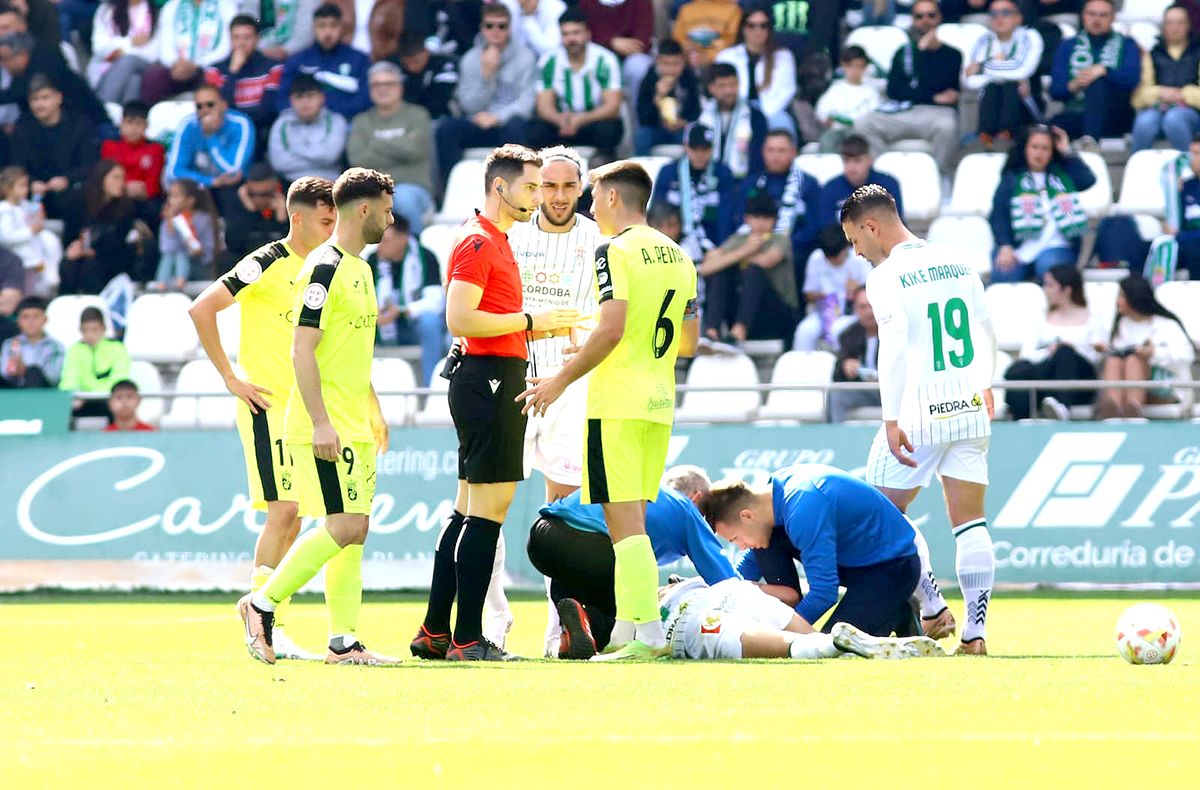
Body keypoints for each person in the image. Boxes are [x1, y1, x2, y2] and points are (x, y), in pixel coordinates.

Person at [519, 160, 700, 661]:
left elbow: (614, 326)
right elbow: (688, 341)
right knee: (633, 518)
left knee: (624, 529)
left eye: (594, 195)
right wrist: (610, 346)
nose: (589, 205)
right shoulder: (679, 256)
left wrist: (559, 378)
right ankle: (624, 630)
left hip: (616, 402)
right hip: (659, 403)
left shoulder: (613, 251)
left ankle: (648, 637)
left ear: (615, 198)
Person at [411, 145, 578, 663]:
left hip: (488, 377)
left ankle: (436, 632)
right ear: (500, 187)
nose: (537, 196)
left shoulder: (492, 237)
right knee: (487, 513)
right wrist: (533, 321)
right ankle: (466, 639)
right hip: (489, 379)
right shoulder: (481, 241)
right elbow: (459, 319)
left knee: (467, 512)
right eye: (530, 187)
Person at [239, 167, 396, 667]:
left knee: (355, 531)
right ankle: (262, 605)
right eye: (387, 211)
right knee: (346, 525)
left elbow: (349, 351)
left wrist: (372, 409)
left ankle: (344, 641)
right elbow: (301, 350)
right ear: (365, 209)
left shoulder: (362, 269)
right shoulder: (324, 268)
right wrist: (321, 421)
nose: (391, 220)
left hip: (353, 422)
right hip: (323, 426)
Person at [841, 184, 998, 654]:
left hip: (918, 410)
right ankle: (975, 633)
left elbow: (892, 352)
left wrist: (891, 420)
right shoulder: (958, 259)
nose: (858, 252)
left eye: (855, 241)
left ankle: (932, 606)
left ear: (871, 226)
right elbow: (986, 328)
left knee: (881, 512)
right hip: (970, 400)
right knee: (970, 522)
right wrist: (986, 382)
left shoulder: (887, 275)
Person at [190, 175, 335, 661]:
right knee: (285, 511)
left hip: (306, 410)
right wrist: (231, 377)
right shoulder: (268, 261)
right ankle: (262, 615)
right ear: (298, 217)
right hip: (267, 406)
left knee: (295, 520)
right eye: (324, 218)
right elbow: (202, 307)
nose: (332, 226)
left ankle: (270, 616)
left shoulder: (327, 269)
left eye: (334, 218)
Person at [527, 467, 736, 659]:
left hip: (543, 536)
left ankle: (570, 632)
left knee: (570, 576)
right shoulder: (687, 509)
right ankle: (589, 623)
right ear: (696, 497)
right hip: (593, 547)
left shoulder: (634, 486)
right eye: (707, 513)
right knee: (629, 619)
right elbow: (727, 582)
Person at [700, 464, 926, 638]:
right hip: (856, 562)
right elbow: (746, 569)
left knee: (836, 647)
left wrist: (785, 637)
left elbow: (824, 593)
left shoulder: (803, 507)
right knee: (766, 539)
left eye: (736, 538)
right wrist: (721, 592)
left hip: (892, 568)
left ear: (746, 515)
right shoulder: (769, 501)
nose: (740, 546)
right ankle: (888, 610)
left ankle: (898, 611)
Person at [659, 575, 943, 661]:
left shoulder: (633, 607)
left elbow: (620, 644)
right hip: (731, 590)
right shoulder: (681, 582)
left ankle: (836, 646)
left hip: (687, 621)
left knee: (788, 646)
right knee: (814, 640)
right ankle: (855, 648)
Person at [853, 0, 962, 174]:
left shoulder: (952, 54)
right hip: (902, 111)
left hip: (934, 114)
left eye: (931, 15)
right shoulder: (902, 52)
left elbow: (945, 87)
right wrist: (932, 95)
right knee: (864, 123)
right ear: (913, 20)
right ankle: (884, 175)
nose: (925, 20)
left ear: (939, 18)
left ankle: (940, 177)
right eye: (919, 16)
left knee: (948, 126)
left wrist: (926, 54)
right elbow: (894, 90)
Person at [437, 3, 536, 184]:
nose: (495, 31)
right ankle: (448, 188)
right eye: (490, 26)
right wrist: (487, 76)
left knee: (520, 126)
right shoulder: (470, 59)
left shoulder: (525, 57)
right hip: (479, 121)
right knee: (446, 129)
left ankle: (522, 185)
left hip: (508, 123)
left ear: (510, 28)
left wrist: (498, 117)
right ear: (482, 28)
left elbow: (527, 104)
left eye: (502, 26)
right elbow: (467, 104)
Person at [989, 124, 1095, 283]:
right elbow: (999, 216)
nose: (1039, 153)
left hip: (1057, 243)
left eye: (1045, 148)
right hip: (1018, 245)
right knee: (1004, 274)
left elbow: (1087, 180)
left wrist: (1066, 151)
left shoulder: (1062, 175)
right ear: (1025, 148)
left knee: (1049, 269)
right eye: (1035, 147)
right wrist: (1005, 245)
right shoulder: (1012, 179)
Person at [1004, 264, 1104, 421]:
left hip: (1079, 380)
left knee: (1065, 352)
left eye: (1050, 285)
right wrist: (1048, 351)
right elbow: (1027, 354)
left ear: (1067, 289)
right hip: (1046, 371)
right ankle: (1022, 416)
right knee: (1018, 369)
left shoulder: (1093, 319)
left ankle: (1061, 405)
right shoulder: (1041, 318)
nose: (1046, 290)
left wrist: (1071, 347)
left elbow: (1096, 357)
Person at [698, 193, 798, 346]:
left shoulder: (780, 239)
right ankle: (712, 331)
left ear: (774, 220)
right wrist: (744, 250)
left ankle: (740, 330)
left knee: (753, 271)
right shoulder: (740, 240)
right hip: (743, 309)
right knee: (720, 274)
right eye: (756, 217)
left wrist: (736, 255)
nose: (761, 223)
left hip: (776, 310)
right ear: (747, 218)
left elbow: (766, 261)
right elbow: (705, 269)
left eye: (766, 218)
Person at [346, 61, 433, 235]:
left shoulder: (418, 115)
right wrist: (399, 146)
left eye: (389, 84)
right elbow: (358, 159)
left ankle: (413, 250)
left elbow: (414, 150)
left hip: (414, 189)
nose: (382, 89)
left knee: (402, 198)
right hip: (372, 192)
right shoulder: (361, 121)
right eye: (377, 84)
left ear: (400, 87)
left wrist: (375, 143)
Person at [1093, 275, 1195, 420]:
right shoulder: (1117, 327)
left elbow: (1186, 355)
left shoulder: (1166, 325)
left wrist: (1154, 353)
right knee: (1113, 361)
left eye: (1121, 296)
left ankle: (1134, 410)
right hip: (1124, 386)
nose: (1117, 301)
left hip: (1164, 388)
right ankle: (1113, 410)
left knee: (1134, 360)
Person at [527, 7, 624, 152]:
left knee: (609, 129)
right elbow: (543, 106)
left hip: (592, 121)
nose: (571, 39)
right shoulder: (549, 61)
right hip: (561, 124)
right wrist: (561, 120)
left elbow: (612, 106)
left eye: (576, 33)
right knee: (536, 130)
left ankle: (602, 168)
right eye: (565, 34)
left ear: (588, 34)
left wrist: (581, 119)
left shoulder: (605, 60)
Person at [1048, 0, 1139, 144]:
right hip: (1077, 113)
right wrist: (1075, 84)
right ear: (1083, 16)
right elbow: (1055, 91)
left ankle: (1090, 141)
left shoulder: (1127, 44)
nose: (1096, 20)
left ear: (1113, 18)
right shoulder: (1067, 45)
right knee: (1047, 130)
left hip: (1115, 116)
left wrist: (1105, 71)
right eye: (1091, 14)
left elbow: (1132, 80)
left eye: (1103, 15)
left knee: (1098, 81)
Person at [11, 75, 99, 221]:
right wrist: (31, 182)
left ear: (58, 98)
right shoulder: (22, 128)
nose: (39, 105)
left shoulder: (79, 125)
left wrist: (67, 180)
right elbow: (17, 164)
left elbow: (90, 163)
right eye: (34, 99)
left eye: (45, 98)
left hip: (71, 191)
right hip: (34, 192)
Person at [742, 129, 822, 290]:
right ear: (763, 152)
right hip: (754, 247)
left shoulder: (808, 184)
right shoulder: (750, 183)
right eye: (770, 150)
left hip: (795, 251)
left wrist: (783, 247)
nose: (775, 156)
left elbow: (815, 225)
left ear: (793, 152)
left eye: (781, 150)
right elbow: (739, 220)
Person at [372, 217, 447, 386]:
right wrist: (373, 315)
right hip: (378, 326)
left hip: (412, 325)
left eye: (385, 240)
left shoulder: (425, 257)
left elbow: (435, 302)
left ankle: (429, 390)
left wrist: (401, 311)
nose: (379, 246)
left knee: (430, 322)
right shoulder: (372, 261)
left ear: (403, 238)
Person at [60, 161, 153, 294]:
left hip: (112, 261)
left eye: (122, 178)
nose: (120, 182)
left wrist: (95, 252)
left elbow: (120, 244)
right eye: (115, 177)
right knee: (68, 263)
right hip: (83, 255)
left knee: (91, 265)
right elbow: (70, 235)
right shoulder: (79, 203)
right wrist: (74, 250)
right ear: (101, 178)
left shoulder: (126, 208)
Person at [962, 0, 1044, 146]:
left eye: (1005, 13)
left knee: (1010, 86)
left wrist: (983, 68)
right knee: (994, 87)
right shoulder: (983, 40)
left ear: (1018, 17)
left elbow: (1022, 69)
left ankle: (1006, 135)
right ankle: (986, 136)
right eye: (994, 14)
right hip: (988, 102)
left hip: (1024, 106)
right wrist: (1005, 71)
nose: (999, 18)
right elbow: (969, 79)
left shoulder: (1030, 36)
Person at [163, 83, 255, 212]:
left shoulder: (240, 124)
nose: (204, 110)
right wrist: (210, 181)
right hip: (202, 183)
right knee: (179, 194)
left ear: (223, 105)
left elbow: (232, 169)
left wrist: (211, 137)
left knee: (231, 194)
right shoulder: (188, 126)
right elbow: (174, 170)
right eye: (199, 106)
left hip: (233, 185)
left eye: (210, 105)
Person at [650, 123, 737, 259]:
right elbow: (657, 209)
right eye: (695, 149)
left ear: (712, 149)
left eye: (705, 149)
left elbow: (726, 214)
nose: (700, 154)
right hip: (673, 239)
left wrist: (721, 247)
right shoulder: (668, 172)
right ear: (685, 146)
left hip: (712, 243)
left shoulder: (722, 173)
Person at [203, 14, 284, 149]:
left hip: (261, 137)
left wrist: (235, 114)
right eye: (236, 37)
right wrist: (233, 72)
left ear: (257, 39)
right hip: (226, 137)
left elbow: (267, 112)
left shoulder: (274, 68)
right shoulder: (215, 70)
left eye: (247, 38)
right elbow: (217, 110)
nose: (241, 43)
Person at [278, 3, 371, 121]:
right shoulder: (298, 61)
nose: (328, 32)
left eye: (333, 26)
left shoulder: (359, 59)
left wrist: (328, 113)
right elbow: (282, 100)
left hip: (348, 122)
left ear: (341, 27)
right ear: (314, 28)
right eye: (322, 26)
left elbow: (365, 99)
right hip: (304, 123)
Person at [714, 7, 797, 133]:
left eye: (763, 26)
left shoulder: (784, 56)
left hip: (771, 112)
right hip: (734, 112)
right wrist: (744, 115)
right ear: (743, 29)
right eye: (751, 25)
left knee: (783, 122)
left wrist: (760, 117)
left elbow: (786, 92)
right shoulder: (726, 56)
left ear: (769, 29)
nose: (757, 31)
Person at [140, 0, 238, 104]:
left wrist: (197, 65)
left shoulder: (226, 6)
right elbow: (165, 45)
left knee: (215, 76)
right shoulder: (171, 6)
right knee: (152, 78)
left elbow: (226, 47)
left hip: (209, 66)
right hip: (177, 69)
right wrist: (175, 62)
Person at [1131, 5, 1200, 153]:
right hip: (1158, 108)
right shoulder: (1153, 54)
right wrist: (1161, 92)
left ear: (1189, 25)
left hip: (1192, 112)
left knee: (1174, 119)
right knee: (1144, 122)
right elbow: (1138, 97)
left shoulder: (1198, 52)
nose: (1175, 28)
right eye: (1170, 23)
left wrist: (1183, 94)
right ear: (1163, 27)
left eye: (1180, 22)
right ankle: (1136, 170)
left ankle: (1189, 170)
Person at [793, 225, 870, 352]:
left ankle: (839, 368)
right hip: (823, 312)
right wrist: (822, 296)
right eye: (828, 258)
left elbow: (872, 291)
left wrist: (857, 289)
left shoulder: (859, 260)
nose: (832, 261)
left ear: (846, 249)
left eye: (836, 257)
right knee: (804, 331)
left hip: (852, 313)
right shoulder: (816, 258)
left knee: (837, 329)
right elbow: (808, 294)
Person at [268, 73, 347, 184]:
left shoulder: (336, 121)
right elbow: (279, 163)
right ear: (291, 100)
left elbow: (330, 157)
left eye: (310, 96)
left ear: (322, 97)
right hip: (290, 184)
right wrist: (318, 156)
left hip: (329, 183)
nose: (305, 102)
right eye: (299, 97)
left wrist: (295, 149)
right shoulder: (281, 123)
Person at [697, 61, 767, 181]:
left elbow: (759, 157)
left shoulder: (755, 116)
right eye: (722, 86)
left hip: (742, 181)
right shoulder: (701, 116)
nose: (729, 91)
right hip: (708, 181)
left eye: (733, 84)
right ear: (711, 88)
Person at [60, 306, 132, 422]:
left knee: (117, 404)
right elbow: (69, 379)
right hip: (82, 401)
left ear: (103, 329)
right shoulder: (74, 350)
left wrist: (92, 395)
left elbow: (119, 379)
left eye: (94, 330)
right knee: (66, 409)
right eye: (85, 330)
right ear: (80, 330)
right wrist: (76, 396)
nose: (90, 335)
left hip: (107, 399)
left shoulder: (118, 348)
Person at [818, 134, 904, 228]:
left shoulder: (888, 186)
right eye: (846, 161)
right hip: (842, 241)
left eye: (857, 161)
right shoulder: (831, 188)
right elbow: (826, 229)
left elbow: (895, 224)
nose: (851, 168)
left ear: (869, 160)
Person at [0, 165, 60, 296]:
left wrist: (38, 198)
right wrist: (30, 231)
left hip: (34, 254)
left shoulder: (24, 204)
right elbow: (6, 237)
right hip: (19, 258)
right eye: (21, 186)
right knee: (26, 289)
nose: (26, 189)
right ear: (8, 188)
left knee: (49, 238)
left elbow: (33, 209)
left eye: (27, 185)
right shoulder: (5, 210)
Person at [634, 37, 701, 155]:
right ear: (658, 62)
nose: (670, 70)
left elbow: (696, 110)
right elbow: (642, 117)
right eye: (666, 64)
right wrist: (658, 97)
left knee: (692, 138)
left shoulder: (688, 78)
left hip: (680, 129)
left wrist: (682, 122)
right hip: (656, 128)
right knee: (642, 136)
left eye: (675, 64)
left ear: (683, 62)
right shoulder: (650, 78)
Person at [89, 0, 161, 104]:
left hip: (145, 64)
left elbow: (153, 53)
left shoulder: (155, 12)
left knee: (128, 60)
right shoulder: (106, 10)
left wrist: (121, 51)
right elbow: (99, 47)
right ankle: (124, 116)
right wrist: (130, 43)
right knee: (134, 80)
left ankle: (103, 108)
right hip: (109, 67)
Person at [152, 178, 219, 290]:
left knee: (181, 255)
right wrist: (170, 223)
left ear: (190, 200)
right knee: (172, 256)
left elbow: (203, 251)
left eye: (176, 196)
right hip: (174, 267)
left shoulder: (203, 219)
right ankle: (162, 283)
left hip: (201, 265)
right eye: (170, 196)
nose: (171, 200)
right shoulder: (168, 220)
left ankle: (180, 282)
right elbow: (167, 248)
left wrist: (185, 229)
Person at [578, 0, 653, 99]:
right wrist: (612, 42)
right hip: (597, 58)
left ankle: (639, 112)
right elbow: (583, 37)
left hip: (629, 59)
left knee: (639, 66)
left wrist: (606, 42)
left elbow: (641, 42)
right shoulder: (586, 2)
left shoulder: (641, 2)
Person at [815, 45, 881, 154]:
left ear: (865, 67)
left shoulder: (871, 92)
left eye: (859, 66)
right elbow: (823, 112)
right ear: (844, 66)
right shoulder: (835, 89)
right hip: (837, 130)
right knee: (827, 140)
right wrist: (827, 118)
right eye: (851, 66)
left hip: (860, 132)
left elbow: (874, 116)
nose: (855, 71)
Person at [830, 286, 882, 423]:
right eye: (862, 307)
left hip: (892, 392)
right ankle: (834, 440)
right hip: (864, 390)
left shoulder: (894, 332)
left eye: (871, 306)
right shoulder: (849, 335)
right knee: (836, 395)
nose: (868, 312)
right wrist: (845, 367)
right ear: (856, 310)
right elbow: (836, 375)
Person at [100, 102, 165, 208]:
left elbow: (153, 185)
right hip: (115, 197)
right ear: (121, 124)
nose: (134, 128)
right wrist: (125, 187)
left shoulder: (155, 149)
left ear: (146, 126)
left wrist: (140, 190)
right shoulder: (109, 146)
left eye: (139, 123)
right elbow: (104, 177)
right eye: (129, 122)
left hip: (142, 201)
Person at [394, 29, 459, 121]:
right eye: (407, 62)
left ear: (426, 52)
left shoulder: (444, 65)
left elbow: (438, 102)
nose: (412, 67)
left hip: (440, 118)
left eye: (415, 61)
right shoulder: (396, 70)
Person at [0, 295, 62, 388]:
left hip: (43, 392)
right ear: (18, 321)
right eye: (25, 317)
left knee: (33, 373)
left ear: (45, 319)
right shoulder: (10, 344)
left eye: (36, 316)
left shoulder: (55, 346)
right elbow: (4, 373)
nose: (31, 321)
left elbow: (53, 377)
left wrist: (24, 370)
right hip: (14, 389)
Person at [673, 0, 740, 71]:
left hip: (718, 63)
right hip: (689, 61)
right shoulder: (686, 9)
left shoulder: (733, 10)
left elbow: (730, 42)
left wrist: (708, 57)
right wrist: (688, 51)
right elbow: (677, 40)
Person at [244, 0, 316, 60]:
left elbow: (305, 33)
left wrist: (286, 50)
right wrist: (260, 49)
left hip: (296, 56)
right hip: (258, 53)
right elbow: (245, 22)